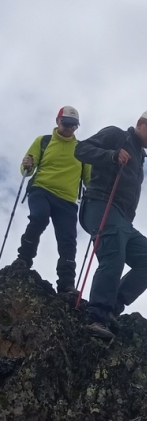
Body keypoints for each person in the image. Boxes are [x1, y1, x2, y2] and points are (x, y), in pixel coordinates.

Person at [74, 110, 147, 340]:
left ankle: (111, 307)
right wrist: (112, 155)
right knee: (114, 254)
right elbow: (80, 150)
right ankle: (97, 316)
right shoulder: (116, 135)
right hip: (99, 203)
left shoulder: (140, 158)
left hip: (123, 219)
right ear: (139, 124)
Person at [9, 106, 91, 298]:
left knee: (68, 240)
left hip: (67, 200)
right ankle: (24, 259)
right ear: (58, 121)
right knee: (39, 218)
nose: (69, 128)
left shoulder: (82, 150)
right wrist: (27, 165)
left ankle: (66, 284)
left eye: (74, 125)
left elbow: (89, 180)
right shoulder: (43, 141)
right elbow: (27, 169)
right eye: (66, 123)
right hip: (41, 190)